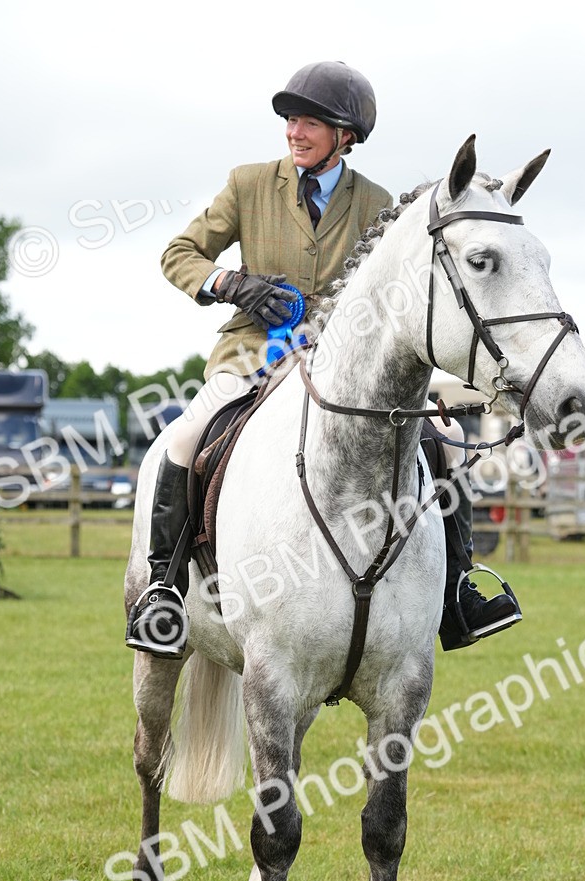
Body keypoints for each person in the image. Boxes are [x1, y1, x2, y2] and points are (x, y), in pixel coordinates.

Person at [126, 61, 520, 657]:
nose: (294, 132)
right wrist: (231, 283)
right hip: (252, 356)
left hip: (345, 366)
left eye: (309, 122)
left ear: (346, 135)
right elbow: (179, 253)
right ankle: (163, 589)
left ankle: (458, 590)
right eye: (290, 120)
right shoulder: (248, 184)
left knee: (446, 439)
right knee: (184, 439)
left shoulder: (378, 204)